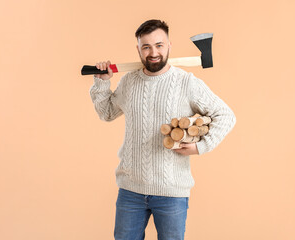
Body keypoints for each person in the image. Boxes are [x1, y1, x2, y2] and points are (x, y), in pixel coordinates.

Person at [90, 19, 236, 240]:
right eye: (146, 46)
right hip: (130, 190)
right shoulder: (129, 82)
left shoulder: (186, 83)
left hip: (172, 193)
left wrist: (201, 146)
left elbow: (226, 115)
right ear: (138, 49)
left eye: (159, 45)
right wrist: (101, 83)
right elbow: (107, 113)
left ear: (169, 46)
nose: (153, 52)